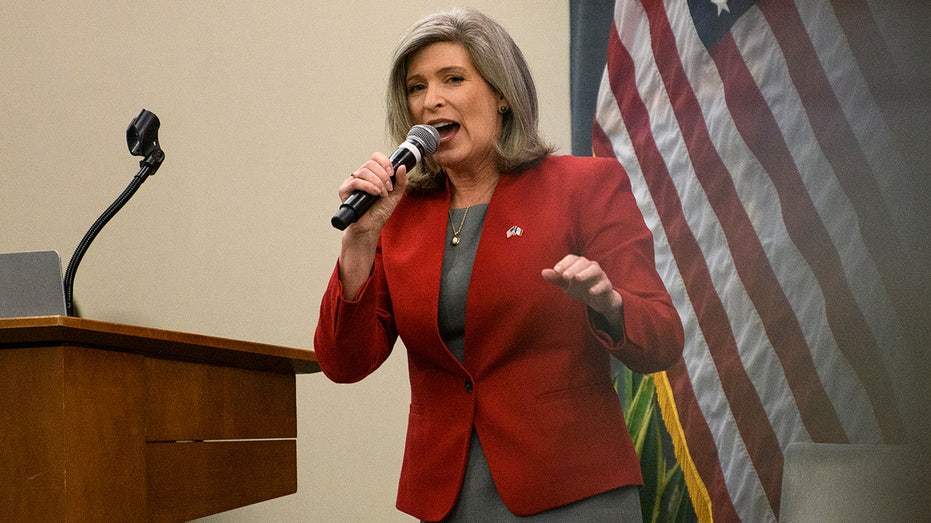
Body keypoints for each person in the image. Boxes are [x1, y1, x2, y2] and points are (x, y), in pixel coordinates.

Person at [314, 7, 684, 522]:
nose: (430, 100)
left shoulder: (582, 187)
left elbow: (663, 337)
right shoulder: (396, 216)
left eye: (453, 79)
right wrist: (358, 241)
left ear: (502, 93)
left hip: (572, 490)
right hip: (448, 496)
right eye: (417, 87)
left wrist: (609, 305)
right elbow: (343, 363)